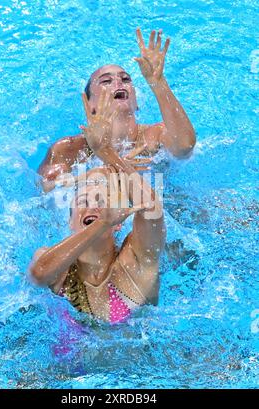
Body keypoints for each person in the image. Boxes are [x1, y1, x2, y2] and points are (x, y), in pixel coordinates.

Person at [30, 90, 166, 323]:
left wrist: (106, 152)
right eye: (82, 202)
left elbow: (152, 210)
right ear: (70, 222)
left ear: (119, 221)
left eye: (102, 202)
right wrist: (102, 223)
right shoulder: (56, 263)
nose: (92, 205)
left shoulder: (135, 261)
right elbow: (38, 275)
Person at [38, 28, 196, 192]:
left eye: (126, 79)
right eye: (106, 81)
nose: (119, 82)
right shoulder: (69, 149)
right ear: (89, 104)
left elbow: (185, 146)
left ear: (136, 103)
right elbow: (46, 190)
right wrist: (98, 175)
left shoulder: (154, 137)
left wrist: (157, 82)